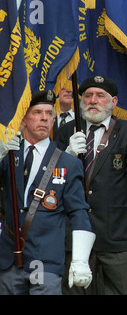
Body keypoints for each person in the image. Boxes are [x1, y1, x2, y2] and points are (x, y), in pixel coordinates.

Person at [56, 75, 127, 295]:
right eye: (88, 95)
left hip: (117, 236)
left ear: (113, 103)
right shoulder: (65, 131)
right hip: (75, 235)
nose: (93, 100)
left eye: (100, 96)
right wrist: (67, 155)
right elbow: (53, 181)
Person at [0, 90, 95, 295]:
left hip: (45, 261)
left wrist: (80, 260)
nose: (44, 118)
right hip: (8, 259)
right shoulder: (7, 156)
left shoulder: (68, 162)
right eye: (37, 112)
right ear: (23, 120)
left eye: (49, 113)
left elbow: (79, 211)